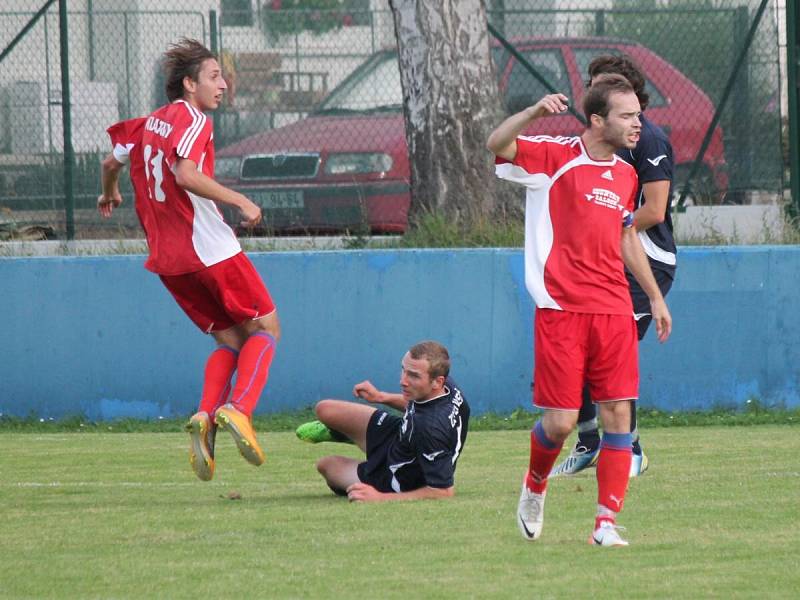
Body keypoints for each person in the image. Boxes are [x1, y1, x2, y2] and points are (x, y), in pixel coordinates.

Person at [487, 75, 672, 546]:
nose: (638, 124)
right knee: (562, 421)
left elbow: (626, 234)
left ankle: (604, 525)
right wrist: (532, 112)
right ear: (597, 119)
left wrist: (653, 295)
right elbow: (496, 143)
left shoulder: (627, 173)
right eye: (627, 116)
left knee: (618, 415)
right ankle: (534, 484)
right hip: (562, 308)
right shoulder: (554, 156)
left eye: (638, 115)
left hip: (614, 307)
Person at [97, 38, 280, 482]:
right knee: (268, 329)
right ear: (188, 84)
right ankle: (238, 410)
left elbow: (110, 161)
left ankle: (205, 415)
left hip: (168, 262)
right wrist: (241, 200)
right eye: (214, 77)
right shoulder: (193, 119)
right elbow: (186, 173)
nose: (223, 85)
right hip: (210, 250)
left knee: (231, 342)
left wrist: (109, 193)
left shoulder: (146, 125)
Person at [551, 54, 677, 479]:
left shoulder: (650, 139)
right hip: (604, 261)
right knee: (585, 355)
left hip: (648, 260)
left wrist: (608, 225)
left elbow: (654, 211)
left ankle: (632, 448)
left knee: (612, 355)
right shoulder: (592, 146)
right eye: (592, 86)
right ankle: (589, 442)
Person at [295, 341, 470, 502]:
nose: (403, 381)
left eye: (414, 376)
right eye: (404, 370)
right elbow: (418, 405)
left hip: (395, 474)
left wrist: (379, 497)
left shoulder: (431, 429)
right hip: (399, 436)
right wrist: (380, 397)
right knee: (324, 409)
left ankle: (354, 445)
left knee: (326, 465)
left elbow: (443, 491)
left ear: (437, 382)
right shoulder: (447, 386)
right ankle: (341, 433)